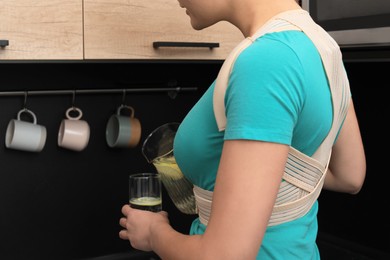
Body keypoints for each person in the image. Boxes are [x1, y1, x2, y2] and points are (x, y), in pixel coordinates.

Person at [119, 0, 366, 259]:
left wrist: (154, 234)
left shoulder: (264, 61)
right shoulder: (323, 46)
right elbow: (349, 175)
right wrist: (251, 172)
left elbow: (224, 255)